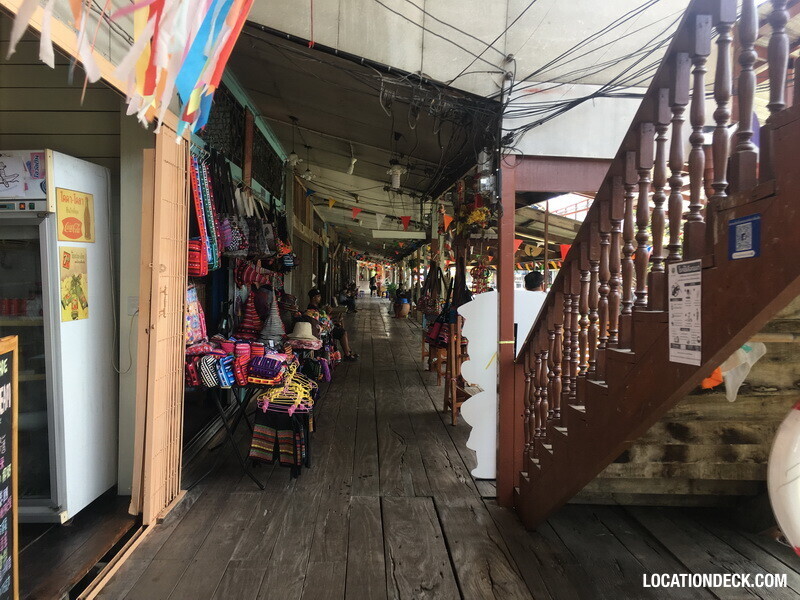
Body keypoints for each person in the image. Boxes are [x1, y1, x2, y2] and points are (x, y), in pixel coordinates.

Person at [305, 288, 358, 361]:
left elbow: (322, 318)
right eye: (318, 296)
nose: (320, 298)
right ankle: (347, 354)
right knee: (342, 332)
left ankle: (348, 351)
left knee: (341, 326)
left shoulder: (316, 307)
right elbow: (320, 321)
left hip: (325, 327)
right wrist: (329, 316)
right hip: (322, 331)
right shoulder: (311, 309)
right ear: (313, 298)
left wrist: (329, 317)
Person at [515, 271, 547, 357]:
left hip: (520, 340)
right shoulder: (547, 299)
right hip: (543, 339)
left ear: (525, 286)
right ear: (542, 285)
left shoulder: (517, 299)